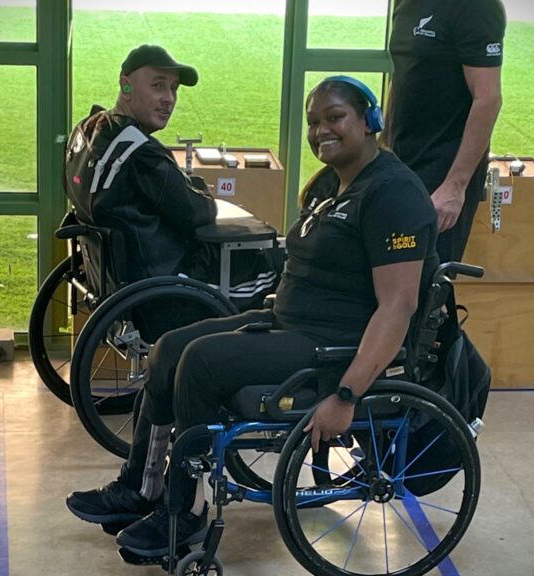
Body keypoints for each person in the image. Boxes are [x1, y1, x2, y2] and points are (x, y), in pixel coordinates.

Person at [68, 76, 439, 557]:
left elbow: (398, 306)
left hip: (332, 347)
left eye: (334, 117)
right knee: (169, 349)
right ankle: (144, 486)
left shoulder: (393, 195)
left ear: (369, 122)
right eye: (313, 122)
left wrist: (347, 394)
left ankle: (186, 511)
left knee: (201, 362)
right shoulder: (331, 185)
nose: (320, 130)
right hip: (288, 322)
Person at [63, 44, 216, 292]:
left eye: (174, 88)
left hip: (108, 279)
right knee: (263, 271)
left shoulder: (87, 129)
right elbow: (199, 212)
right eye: (158, 85)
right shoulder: (140, 152)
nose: (169, 98)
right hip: (158, 285)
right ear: (126, 86)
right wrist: (200, 187)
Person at [384, 0, 506, 263]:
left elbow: (488, 99)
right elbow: (404, 76)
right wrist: (382, 149)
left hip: (441, 175)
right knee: (383, 275)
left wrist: (455, 185)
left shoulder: (477, 7)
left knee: (424, 284)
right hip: (400, 165)